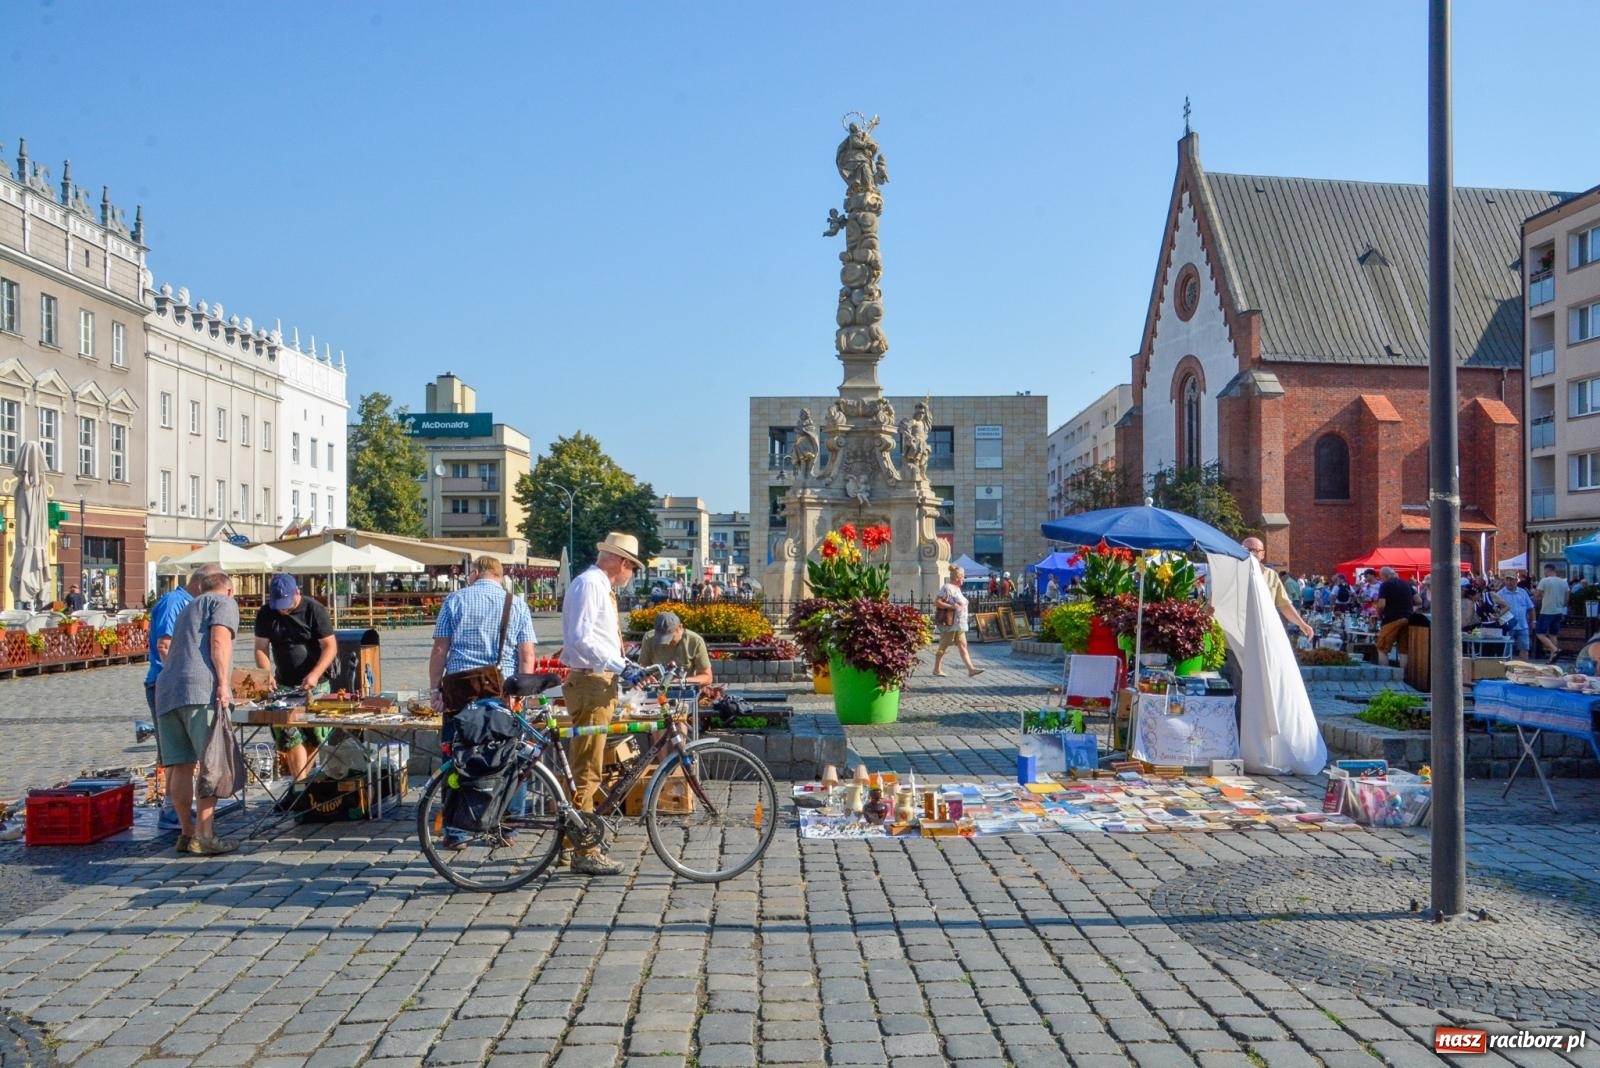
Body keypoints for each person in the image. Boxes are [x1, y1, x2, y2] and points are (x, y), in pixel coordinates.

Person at [560, 532, 647, 876]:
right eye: (633, 568)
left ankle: (572, 845)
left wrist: (625, 664)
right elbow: (581, 638)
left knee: (588, 766)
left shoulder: (598, 586)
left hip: (598, 681)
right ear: (623, 563)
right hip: (590, 682)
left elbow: (597, 638)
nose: (631, 576)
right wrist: (619, 665)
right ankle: (585, 849)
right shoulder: (591, 584)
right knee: (588, 770)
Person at [151, 569, 239, 856]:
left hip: (166, 690)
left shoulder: (188, 605)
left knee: (179, 765)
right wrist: (224, 684)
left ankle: (186, 834)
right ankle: (205, 834)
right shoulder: (222, 603)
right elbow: (219, 642)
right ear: (229, 589)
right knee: (211, 761)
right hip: (199, 690)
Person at [145, 565, 221, 831]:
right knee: (176, 757)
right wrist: (179, 676)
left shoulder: (191, 604)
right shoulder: (175, 603)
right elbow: (164, 645)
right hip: (169, 684)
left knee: (184, 758)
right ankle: (172, 813)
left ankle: (184, 816)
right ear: (202, 585)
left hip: (175, 684)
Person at [254, 574, 338, 781]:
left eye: (287, 604)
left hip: (315, 684)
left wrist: (315, 674)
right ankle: (299, 785)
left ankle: (302, 786)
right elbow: (261, 648)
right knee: (290, 736)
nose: (282, 610)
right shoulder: (266, 613)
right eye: (279, 606)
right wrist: (266, 674)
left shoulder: (314, 610)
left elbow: (330, 646)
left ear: (297, 593)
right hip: (284, 684)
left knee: (313, 737)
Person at [1243, 538, 1313, 641]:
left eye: (1254, 551)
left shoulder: (1271, 575)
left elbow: (1284, 604)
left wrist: (1301, 623)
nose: (1250, 554)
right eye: (1246, 550)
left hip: (1264, 632)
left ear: (1262, 554)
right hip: (1239, 635)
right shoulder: (1233, 573)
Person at [932, 564, 983, 678]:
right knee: (943, 646)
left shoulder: (957, 589)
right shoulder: (947, 587)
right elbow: (937, 602)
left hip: (960, 624)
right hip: (950, 624)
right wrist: (952, 606)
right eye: (963, 577)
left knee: (963, 645)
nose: (964, 579)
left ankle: (971, 669)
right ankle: (936, 668)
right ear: (957, 577)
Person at [638, 611, 713, 685]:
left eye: (670, 638)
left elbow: (707, 677)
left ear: (680, 627)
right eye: (661, 639)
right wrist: (645, 677)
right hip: (657, 688)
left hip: (685, 690)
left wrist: (684, 681)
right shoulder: (649, 638)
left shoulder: (695, 641)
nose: (667, 643)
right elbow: (642, 668)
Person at [1373, 567, 1416, 664]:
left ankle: (1385, 676)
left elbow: (1382, 604)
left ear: (1385, 576)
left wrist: (1378, 612)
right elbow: (1418, 600)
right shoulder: (1407, 584)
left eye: (1381, 577)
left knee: (1382, 648)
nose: (1381, 580)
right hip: (1408, 618)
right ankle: (1404, 676)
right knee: (1404, 649)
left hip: (1391, 619)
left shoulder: (1385, 585)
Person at [1534, 563, 1570, 663]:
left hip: (1546, 610)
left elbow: (1537, 595)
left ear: (1547, 570)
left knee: (1539, 633)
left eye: (1545, 571)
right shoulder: (1563, 582)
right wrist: (1562, 606)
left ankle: (1555, 650)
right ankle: (1552, 658)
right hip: (1559, 611)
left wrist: (1540, 596)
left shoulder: (1544, 580)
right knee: (1553, 634)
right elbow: (1567, 598)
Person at [1498, 574, 1534, 657]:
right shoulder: (1500, 594)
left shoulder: (1523, 592)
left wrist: (1533, 621)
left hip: (1523, 625)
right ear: (1505, 581)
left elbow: (1531, 607)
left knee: (1524, 648)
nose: (1510, 582)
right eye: (1508, 580)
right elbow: (1495, 609)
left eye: (1512, 580)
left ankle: (1524, 669)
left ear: (1516, 581)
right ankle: (1506, 668)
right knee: (1506, 650)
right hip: (1507, 626)